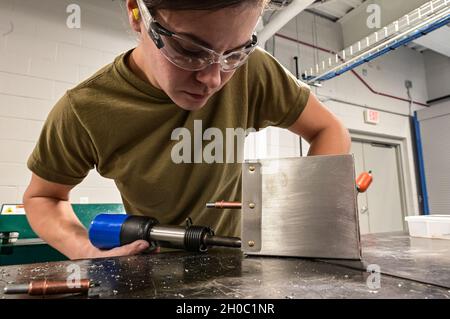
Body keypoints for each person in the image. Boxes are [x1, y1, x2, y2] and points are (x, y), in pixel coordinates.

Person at [23, 0, 350, 260]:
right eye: (191, 51)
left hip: (243, 264)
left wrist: (303, 215)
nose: (213, 79)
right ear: (138, 14)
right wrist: (85, 250)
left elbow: (329, 129)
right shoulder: (85, 109)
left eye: (234, 53)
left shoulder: (255, 71)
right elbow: (43, 197)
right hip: (153, 273)